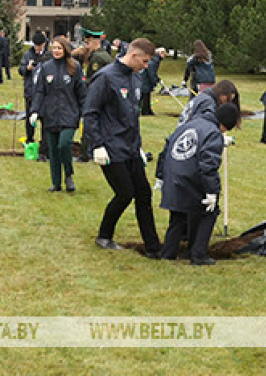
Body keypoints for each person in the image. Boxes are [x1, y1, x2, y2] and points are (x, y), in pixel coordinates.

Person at [83, 37, 161, 256]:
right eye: (144, 61)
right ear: (134, 55)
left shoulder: (135, 80)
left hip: (130, 147)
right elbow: (90, 114)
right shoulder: (105, 78)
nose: (146, 66)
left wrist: (138, 147)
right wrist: (97, 145)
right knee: (125, 193)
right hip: (110, 147)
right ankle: (104, 235)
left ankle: (154, 247)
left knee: (144, 194)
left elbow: (132, 118)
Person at [156, 101, 240, 265]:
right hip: (189, 178)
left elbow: (166, 148)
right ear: (225, 125)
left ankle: (168, 254)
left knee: (177, 216)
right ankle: (198, 254)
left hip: (173, 175)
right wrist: (212, 192)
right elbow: (208, 166)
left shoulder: (191, 123)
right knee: (210, 212)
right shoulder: (214, 133)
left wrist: (160, 175)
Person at [30, 36, 88, 193]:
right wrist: (35, 110)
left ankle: (68, 175)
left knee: (64, 144)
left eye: (59, 48)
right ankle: (56, 183)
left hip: (69, 114)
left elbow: (81, 93)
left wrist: (85, 112)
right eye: (54, 48)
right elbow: (40, 91)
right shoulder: (45, 67)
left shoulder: (74, 67)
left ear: (65, 50)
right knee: (53, 150)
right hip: (50, 115)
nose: (56, 51)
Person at [20, 32, 48, 160]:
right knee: (30, 119)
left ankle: (44, 146)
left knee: (45, 120)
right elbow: (21, 70)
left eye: (40, 46)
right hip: (30, 91)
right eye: (35, 46)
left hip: (45, 93)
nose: (37, 48)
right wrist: (27, 68)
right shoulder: (28, 54)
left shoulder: (49, 55)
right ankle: (30, 139)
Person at [139, 47, 164, 116]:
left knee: (146, 96)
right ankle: (145, 111)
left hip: (145, 80)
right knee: (144, 96)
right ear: (159, 53)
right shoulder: (153, 62)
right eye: (163, 53)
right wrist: (154, 83)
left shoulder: (156, 60)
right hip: (145, 80)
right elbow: (151, 74)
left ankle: (148, 110)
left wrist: (158, 79)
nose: (164, 55)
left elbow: (154, 73)